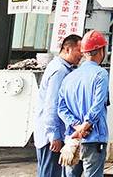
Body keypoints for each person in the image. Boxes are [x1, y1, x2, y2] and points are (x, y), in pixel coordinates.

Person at [57, 30, 110, 177]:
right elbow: (97, 106)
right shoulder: (101, 74)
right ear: (101, 50)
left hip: (72, 140)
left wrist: (76, 126)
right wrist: (84, 126)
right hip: (93, 139)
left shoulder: (70, 76)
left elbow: (61, 108)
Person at [34, 34, 82, 177]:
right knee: (50, 173)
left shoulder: (64, 68)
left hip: (53, 133)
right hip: (51, 136)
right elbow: (52, 104)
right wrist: (54, 134)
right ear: (67, 49)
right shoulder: (59, 71)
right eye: (79, 50)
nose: (82, 55)